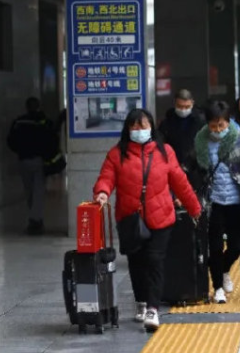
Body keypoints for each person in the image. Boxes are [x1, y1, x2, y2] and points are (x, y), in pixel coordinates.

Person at [93, 109, 201, 331]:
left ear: (152, 127)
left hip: (160, 217)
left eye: (143, 126)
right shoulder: (117, 154)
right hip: (130, 218)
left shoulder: (165, 152)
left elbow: (180, 181)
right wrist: (102, 192)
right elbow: (106, 177)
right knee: (136, 262)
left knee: (155, 260)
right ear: (127, 129)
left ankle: (153, 308)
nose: (139, 130)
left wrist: (194, 207)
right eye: (134, 126)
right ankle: (141, 301)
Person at [194, 101, 240, 304]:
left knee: (237, 245)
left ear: (228, 122)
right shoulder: (201, 142)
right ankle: (217, 287)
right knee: (215, 246)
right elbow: (197, 172)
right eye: (213, 126)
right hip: (213, 202)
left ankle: (225, 268)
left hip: (237, 202)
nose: (217, 130)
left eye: (222, 125)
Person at [6, 97, 58, 235]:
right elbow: (52, 139)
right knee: (38, 191)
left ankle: (35, 219)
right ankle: (36, 220)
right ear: (38, 106)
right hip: (39, 161)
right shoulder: (44, 121)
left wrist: (20, 150)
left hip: (23, 160)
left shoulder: (19, 122)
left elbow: (10, 141)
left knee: (29, 191)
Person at [158, 90, 206, 183]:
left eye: (187, 107)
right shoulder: (167, 122)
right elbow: (161, 144)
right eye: (180, 106)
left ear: (192, 103)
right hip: (173, 168)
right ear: (175, 103)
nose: (183, 110)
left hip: (196, 171)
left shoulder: (200, 121)